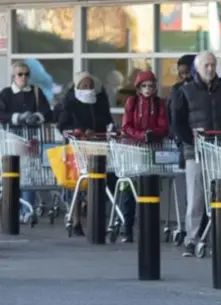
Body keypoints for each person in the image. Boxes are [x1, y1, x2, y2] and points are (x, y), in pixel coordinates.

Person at [172, 51, 221, 257]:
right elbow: (178, 122)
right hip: (196, 152)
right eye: (206, 66)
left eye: (213, 65)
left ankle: (219, 236)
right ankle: (191, 239)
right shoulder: (186, 91)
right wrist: (190, 140)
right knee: (196, 197)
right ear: (197, 69)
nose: (210, 69)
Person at [57, 71, 115, 236]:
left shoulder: (100, 101)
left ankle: (93, 217)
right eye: (84, 85)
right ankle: (75, 220)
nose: (88, 88)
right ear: (77, 86)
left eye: (90, 85)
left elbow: (107, 120)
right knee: (77, 185)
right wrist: (80, 131)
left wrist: (109, 129)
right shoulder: (70, 102)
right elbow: (62, 126)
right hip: (77, 148)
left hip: (97, 146)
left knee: (96, 183)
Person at [0, 61, 53, 224]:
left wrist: (37, 116)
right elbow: (1, 113)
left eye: (26, 74)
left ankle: (27, 210)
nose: (24, 77)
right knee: (13, 173)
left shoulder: (36, 92)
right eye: (20, 74)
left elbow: (48, 113)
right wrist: (18, 117)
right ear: (13, 76)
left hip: (32, 138)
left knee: (30, 173)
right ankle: (13, 209)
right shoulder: (6, 93)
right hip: (12, 138)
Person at [120, 70, 169, 242]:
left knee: (149, 190)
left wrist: (152, 134)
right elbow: (126, 126)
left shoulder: (160, 103)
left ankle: (148, 229)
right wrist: (141, 135)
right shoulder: (131, 102)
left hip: (152, 150)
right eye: (144, 86)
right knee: (128, 190)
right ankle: (127, 228)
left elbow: (163, 126)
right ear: (138, 88)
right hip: (133, 150)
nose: (148, 89)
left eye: (151, 86)